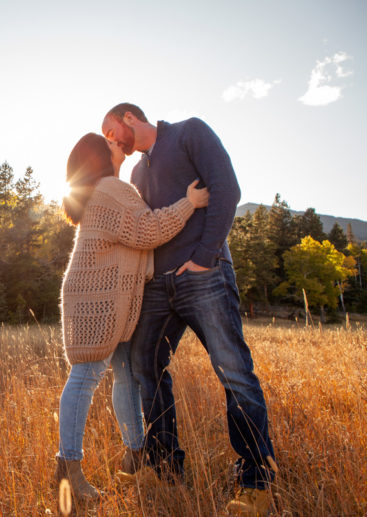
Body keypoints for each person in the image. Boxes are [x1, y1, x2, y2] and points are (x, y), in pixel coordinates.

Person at [102, 103, 277, 516]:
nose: (109, 139)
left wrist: (203, 257)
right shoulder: (137, 172)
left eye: (110, 129)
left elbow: (226, 190)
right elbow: (148, 226)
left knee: (233, 370)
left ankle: (255, 478)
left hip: (205, 275)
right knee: (146, 364)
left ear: (129, 117)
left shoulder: (189, 132)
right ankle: (164, 466)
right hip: (159, 286)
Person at [55, 132, 209, 503]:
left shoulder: (107, 189)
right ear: (98, 158)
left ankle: (135, 455)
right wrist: (189, 203)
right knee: (86, 376)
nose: (115, 143)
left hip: (111, 300)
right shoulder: (110, 188)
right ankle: (67, 471)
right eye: (107, 142)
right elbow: (147, 230)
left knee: (124, 374)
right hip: (99, 301)